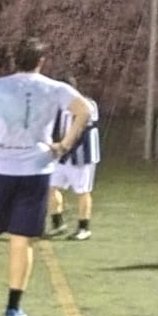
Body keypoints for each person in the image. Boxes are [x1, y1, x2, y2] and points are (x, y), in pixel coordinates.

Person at [0, 39, 92, 316]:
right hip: (35, 171)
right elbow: (84, 110)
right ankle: (13, 310)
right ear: (41, 61)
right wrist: (63, 144)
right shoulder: (54, 88)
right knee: (22, 240)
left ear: (14, 59)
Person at [47, 80, 100, 240]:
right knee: (50, 186)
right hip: (63, 154)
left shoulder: (87, 104)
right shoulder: (62, 106)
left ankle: (84, 228)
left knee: (82, 191)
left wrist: (62, 146)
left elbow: (81, 130)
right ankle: (58, 224)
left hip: (82, 156)